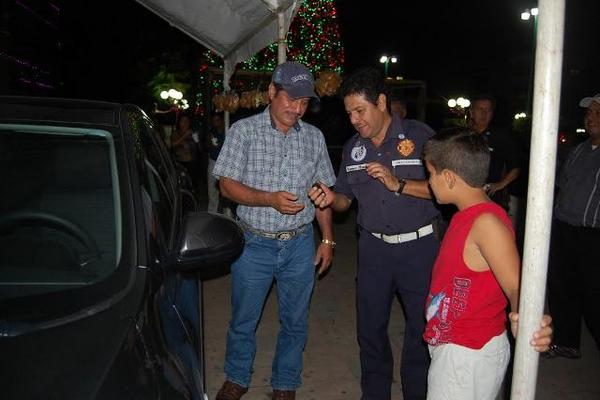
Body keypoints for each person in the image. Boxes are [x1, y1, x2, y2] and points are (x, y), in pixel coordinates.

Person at [309, 67, 441, 400]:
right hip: (374, 251)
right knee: (369, 329)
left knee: (421, 330)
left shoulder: (421, 137)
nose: (354, 119)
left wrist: (398, 184)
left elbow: (447, 191)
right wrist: (330, 197)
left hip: (419, 249)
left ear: (381, 102)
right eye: (349, 112)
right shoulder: (353, 148)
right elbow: (344, 199)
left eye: (359, 110)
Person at [212, 61, 336, 400]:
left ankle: (285, 384)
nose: (297, 109)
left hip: (298, 244)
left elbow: (322, 193)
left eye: (304, 102)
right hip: (254, 243)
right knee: (244, 319)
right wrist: (268, 199)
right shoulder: (244, 131)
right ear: (271, 92)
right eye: (291, 99)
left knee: (295, 322)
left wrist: (326, 238)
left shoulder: (314, 138)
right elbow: (225, 185)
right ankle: (237, 376)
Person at [421, 129, 552, 400]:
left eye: (430, 173)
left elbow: (518, 285)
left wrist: (526, 320)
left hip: (468, 354)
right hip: (456, 346)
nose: (429, 182)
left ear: (449, 178)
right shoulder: (465, 215)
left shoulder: (487, 223)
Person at [545, 93, 600, 359]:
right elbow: (561, 183)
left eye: (598, 113)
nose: (590, 118)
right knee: (561, 285)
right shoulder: (579, 150)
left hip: (593, 235)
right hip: (565, 227)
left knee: (593, 292)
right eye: (589, 113)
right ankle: (566, 341)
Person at [469, 95, 522, 212]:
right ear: (472, 112)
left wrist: (500, 184)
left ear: (492, 114)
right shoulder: (463, 135)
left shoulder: (500, 136)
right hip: (464, 193)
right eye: (480, 109)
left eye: (487, 110)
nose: (484, 113)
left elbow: (516, 167)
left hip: (489, 196)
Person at [205, 111, 232, 216]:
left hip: (226, 163)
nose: (216, 123)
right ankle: (211, 215)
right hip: (213, 162)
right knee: (212, 191)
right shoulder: (211, 132)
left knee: (227, 191)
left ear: (222, 120)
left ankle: (228, 215)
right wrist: (208, 140)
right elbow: (206, 147)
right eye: (214, 121)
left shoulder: (229, 130)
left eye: (217, 120)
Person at [171, 113, 201, 193]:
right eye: (182, 121)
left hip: (193, 164)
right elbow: (173, 144)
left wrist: (197, 141)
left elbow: (200, 148)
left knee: (192, 186)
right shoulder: (176, 133)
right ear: (179, 122)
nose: (185, 123)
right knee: (182, 187)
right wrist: (185, 135)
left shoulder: (193, 133)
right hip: (181, 164)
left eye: (187, 121)